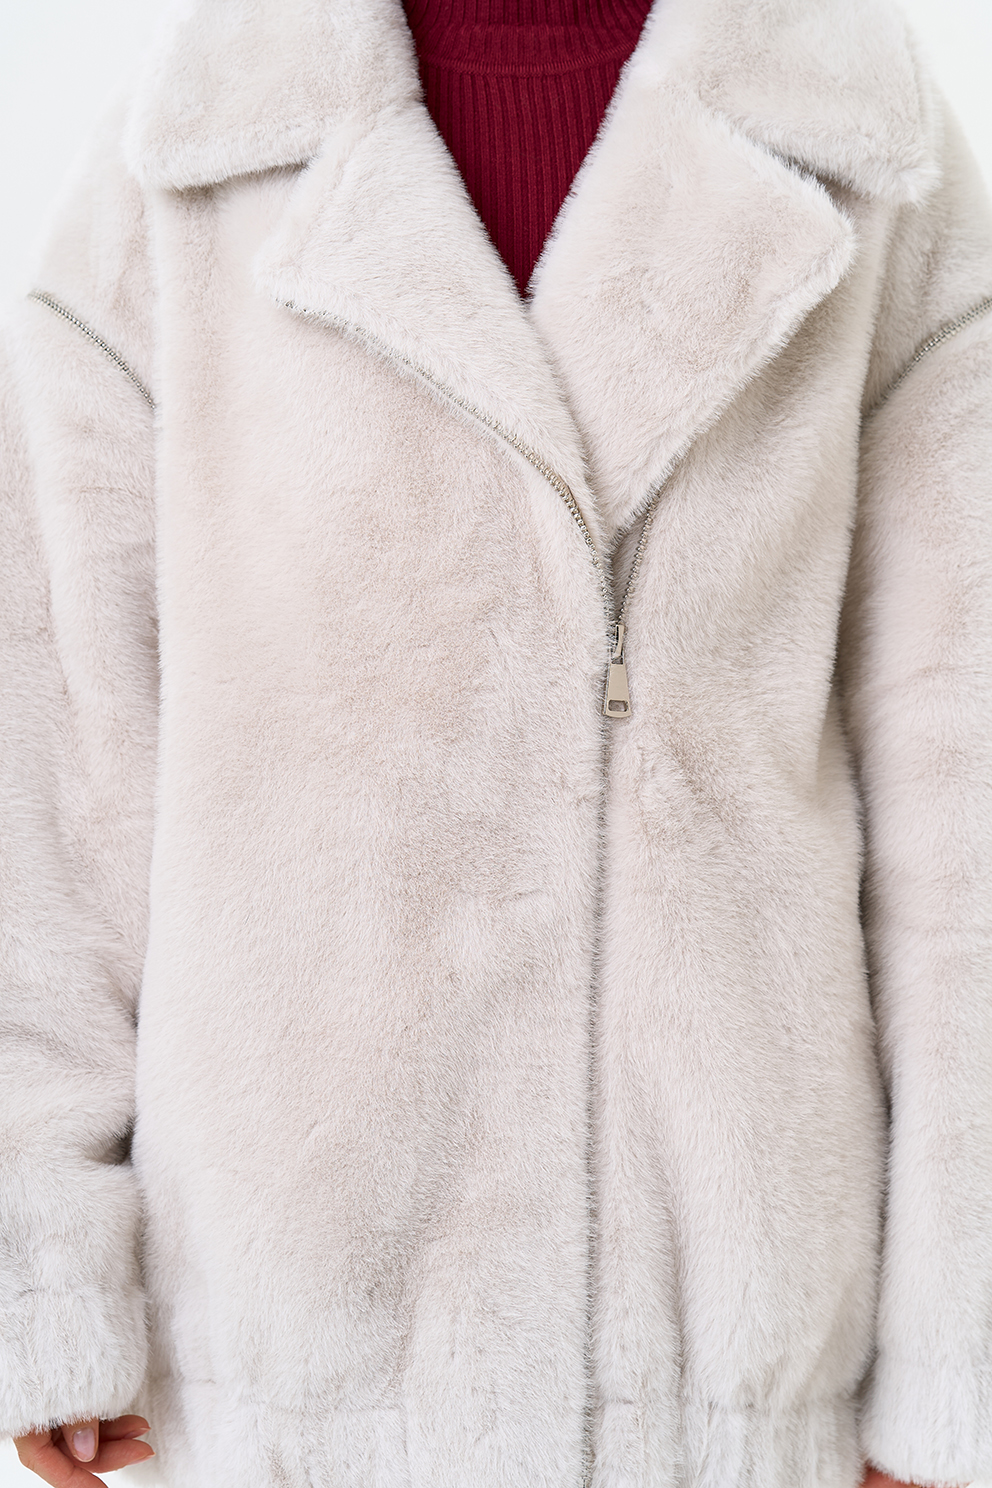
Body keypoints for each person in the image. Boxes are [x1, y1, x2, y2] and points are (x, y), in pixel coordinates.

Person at [2, 0, 992, 1483]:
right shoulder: (194, 150)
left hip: (735, 1345)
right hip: (291, 1330)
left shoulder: (855, 138)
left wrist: (952, 1352)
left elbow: (962, 781)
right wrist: (46, 1274)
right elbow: (55, 760)